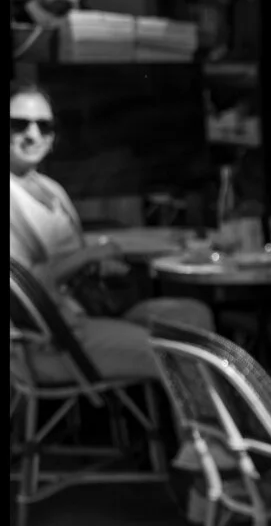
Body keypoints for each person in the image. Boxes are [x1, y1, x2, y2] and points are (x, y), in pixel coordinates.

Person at [9, 82, 214, 381]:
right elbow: (26, 287)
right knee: (174, 352)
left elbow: (69, 261)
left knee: (193, 316)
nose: (33, 134)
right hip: (50, 339)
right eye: (19, 124)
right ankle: (200, 412)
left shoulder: (51, 190)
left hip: (88, 310)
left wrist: (98, 264)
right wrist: (88, 255)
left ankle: (190, 410)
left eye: (44, 126)